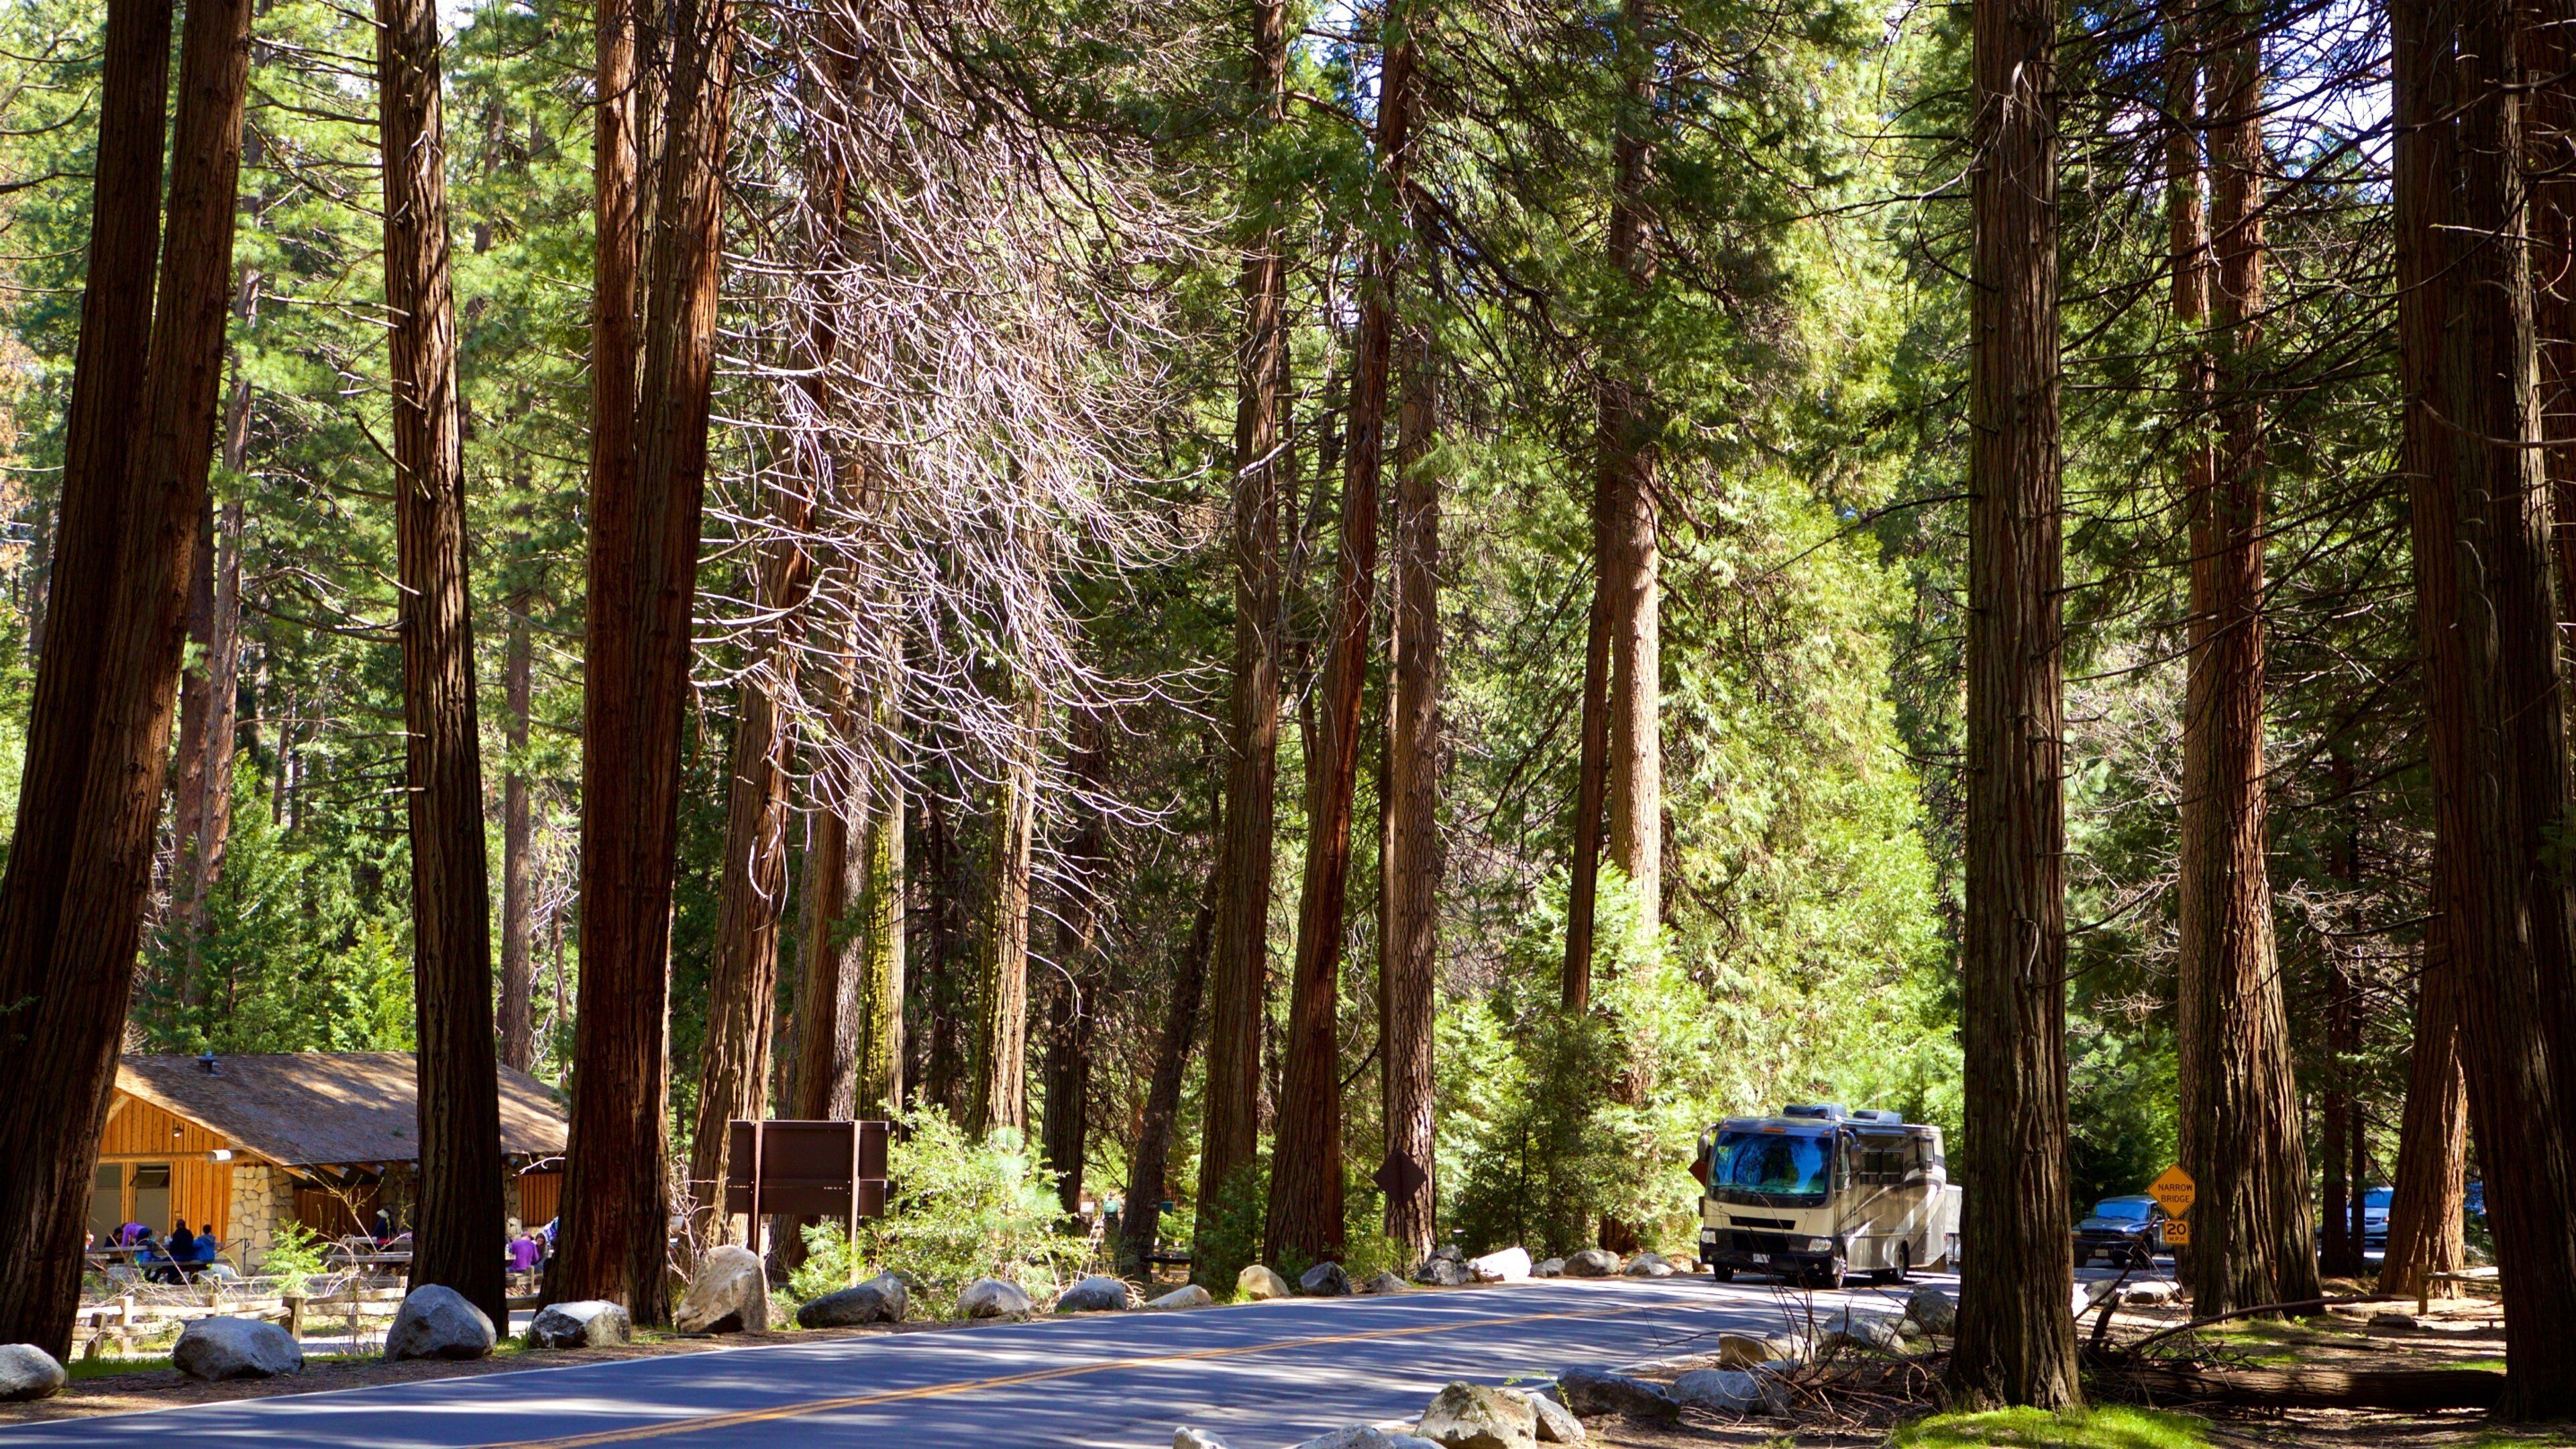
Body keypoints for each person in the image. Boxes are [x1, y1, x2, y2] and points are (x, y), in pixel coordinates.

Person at [157, 1221, 199, 1285]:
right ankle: (191, 1279)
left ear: (177, 1226)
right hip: (190, 1256)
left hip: (180, 1256)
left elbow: (174, 1246)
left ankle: (161, 1278)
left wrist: (171, 1244)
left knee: (165, 1261)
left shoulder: (176, 1234)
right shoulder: (189, 1233)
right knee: (170, 1260)